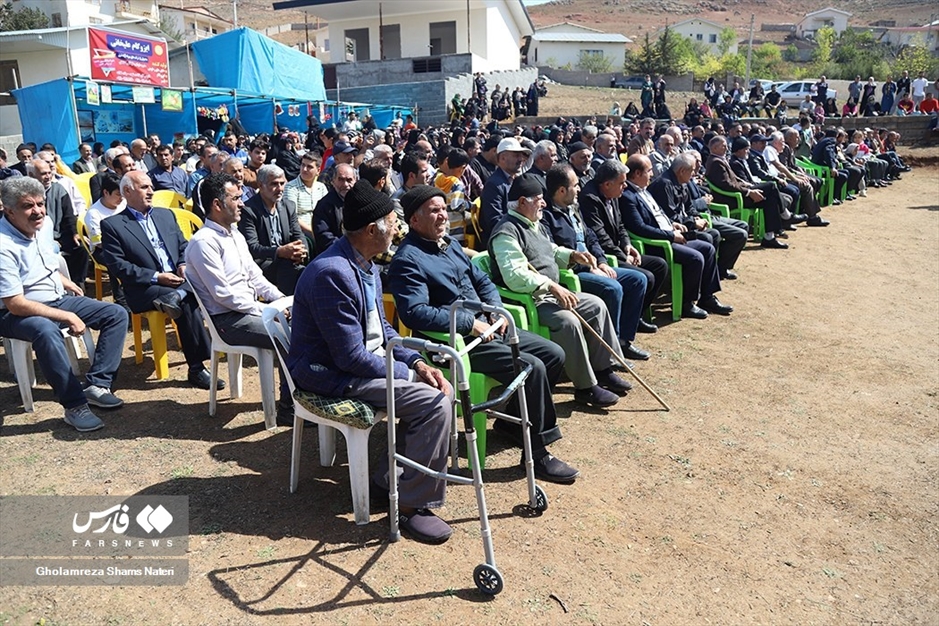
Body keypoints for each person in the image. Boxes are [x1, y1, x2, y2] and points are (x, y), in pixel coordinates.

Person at [288, 180, 454, 544]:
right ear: (370, 230)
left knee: (437, 385)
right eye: (393, 221)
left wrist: (417, 362)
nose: (397, 228)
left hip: (358, 364)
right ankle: (411, 507)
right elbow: (350, 357)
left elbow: (385, 333)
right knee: (435, 402)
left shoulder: (366, 265)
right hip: (329, 374)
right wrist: (408, 372)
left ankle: (385, 479)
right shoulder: (333, 272)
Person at [389, 184, 579, 483]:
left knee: (553, 354)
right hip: (456, 343)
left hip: (488, 327)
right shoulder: (408, 259)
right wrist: (468, 322)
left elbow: (483, 280)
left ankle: (515, 425)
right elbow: (414, 312)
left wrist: (493, 309)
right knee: (534, 367)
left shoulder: (449, 244)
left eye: (443, 209)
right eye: (434, 212)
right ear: (414, 220)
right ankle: (539, 453)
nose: (442, 217)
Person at [489, 176, 631, 408]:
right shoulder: (506, 232)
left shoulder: (534, 223)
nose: (543, 203)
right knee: (568, 321)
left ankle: (603, 369)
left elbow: (549, 251)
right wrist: (550, 286)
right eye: (538, 199)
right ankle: (586, 387)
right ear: (523, 201)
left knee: (596, 305)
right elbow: (514, 275)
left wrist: (571, 255)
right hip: (532, 300)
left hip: (552, 293)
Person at [0, 177, 128, 431]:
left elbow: (42, 263)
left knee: (115, 313)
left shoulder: (44, 225)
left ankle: (97, 384)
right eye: (28, 206)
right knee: (44, 330)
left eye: (40, 203)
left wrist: (63, 281)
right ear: (9, 210)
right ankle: (74, 405)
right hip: (12, 313)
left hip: (56, 299)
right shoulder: (3, 245)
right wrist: (66, 316)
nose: (37, 211)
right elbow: (15, 303)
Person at [184, 173, 294, 423]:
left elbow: (256, 277)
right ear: (217, 204)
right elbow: (224, 296)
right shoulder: (204, 243)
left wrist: (282, 300)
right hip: (228, 321)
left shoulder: (234, 234)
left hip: (247, 311)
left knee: (305, 325)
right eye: (236, 198)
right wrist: (267, 311)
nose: (243, 202)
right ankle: (290, 408)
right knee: (293, 336)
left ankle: (303, 396)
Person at [98, 171, 221, 390]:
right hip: (145, 288)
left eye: (151, 186)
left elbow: (184, 246)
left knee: (201, 287)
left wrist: (183, 264)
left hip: (177, 281)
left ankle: (180, 296)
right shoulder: (113, 225)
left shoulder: (166, 215)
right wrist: (156, 277)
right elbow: (118, 266)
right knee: (187, 302)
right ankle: (196, 367)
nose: (151, 191)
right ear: (127, 191)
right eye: (144, 187)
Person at [541, 163, 650, 359]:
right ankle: (611, 351)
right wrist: (588, 267)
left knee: (637, 279)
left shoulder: (573, 207)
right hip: (573, 272)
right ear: (562, 190)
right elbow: (552, 253)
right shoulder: (546, 217)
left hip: (593, 266)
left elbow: (590, 237)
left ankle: (624, 341)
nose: (580, 189)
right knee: (612, 288)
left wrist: (600, 261)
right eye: (575, 185)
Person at [622, 154, 731, 320]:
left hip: (668, 233)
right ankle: (686, 304)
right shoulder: (628, 196)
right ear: (637, 174)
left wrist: (672, 224)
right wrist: (671, 235)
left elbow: (658, 214)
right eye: (649, 171)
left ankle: (707, 297)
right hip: (658, 243)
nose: (652, 174)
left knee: (708, 247)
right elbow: (640, 228)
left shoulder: (643, 190)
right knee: (696, 257)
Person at [649, 153, 747, 280]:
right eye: (692, 171)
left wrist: (696, 217)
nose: (695, 174)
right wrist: (693, 223)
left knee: (714, 234)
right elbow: (670, 216)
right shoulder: (664, 184)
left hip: (686, 223)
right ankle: (702, 277)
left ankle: (712, 272)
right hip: (674, 230)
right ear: (682, 171)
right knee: (710, 236)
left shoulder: (682, 182)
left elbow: (689, 207)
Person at [705, 135, 788, 249]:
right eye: (723, 146)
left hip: (739, 193)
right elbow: (727, 185)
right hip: (732, 198)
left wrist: (747, 185)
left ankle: (769, 237)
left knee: (770, 200)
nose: (726, 148)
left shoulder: (720, 159)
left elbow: (736, 179)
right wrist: (749, 192)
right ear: (714, 148)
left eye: (726, 145)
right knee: (771, 186)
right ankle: (785, 214)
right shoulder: (715, 162)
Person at [239, 164, 308, 295]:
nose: (280, 189)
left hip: (288, 260)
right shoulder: (249, 211)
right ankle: (288, 307)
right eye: (274, 184)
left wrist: (301, 251)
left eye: (282, 183)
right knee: (289, 269)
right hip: (262, 263)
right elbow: (252, 248)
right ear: (260, 185)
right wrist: (279, 252)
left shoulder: (288, 206)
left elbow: (299, 235)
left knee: (308, 269)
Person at [477, 137, 531, 248]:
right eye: (516, 155)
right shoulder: (494, 185)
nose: (521, 159)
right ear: (502, 158)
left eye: (521, 155)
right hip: (504, 242)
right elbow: (494, 221)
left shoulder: (515, 180)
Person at [283, 151, 328, 246]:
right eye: (303, 165)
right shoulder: (291, 187)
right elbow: (292, 217)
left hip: (321, 228)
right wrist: (313, 232)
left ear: (318, 171)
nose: (304, 169)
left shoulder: (321, 187)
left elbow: (327, 211)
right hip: (301, 232)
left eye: (310, 167)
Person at [312, 162, 357, 255]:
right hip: (334, 254)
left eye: (349, 180)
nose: (345, 184)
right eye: (341, 179)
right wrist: (348, 248)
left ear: (355, 181)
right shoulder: (324, 205)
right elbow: (323, 236)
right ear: (333, 181)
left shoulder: (360, 201)